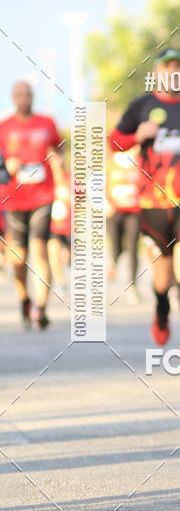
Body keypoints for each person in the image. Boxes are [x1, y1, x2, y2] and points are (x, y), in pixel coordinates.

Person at [109, 48, 180, 361]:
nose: (174, 73)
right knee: (162, 279)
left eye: (179, 67)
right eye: (167, 68)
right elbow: (114, 142)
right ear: (157, 74)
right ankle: (162, 309)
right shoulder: (142, 106)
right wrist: (137, 136)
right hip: (154, 202)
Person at [0, 81, 65, 329]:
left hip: (43, 196)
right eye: (19, 94)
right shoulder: (4, 127)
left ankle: (41, 307)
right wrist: (7, 165)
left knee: (40, 249)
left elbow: (59, 148)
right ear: (13, 97)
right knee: (20, 256)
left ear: (32, 96)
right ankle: (24, 299)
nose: (24, 98)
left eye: (27, 94)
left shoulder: (46, 123)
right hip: (14, 198)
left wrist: (57, 158)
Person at [106, 146, 141, 302]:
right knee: (117, 247)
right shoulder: (111, 163)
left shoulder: (139, 163)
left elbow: (146, 184)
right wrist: (105, 204)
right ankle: (113, 261)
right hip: (114, 212)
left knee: (133, 247)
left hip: (134, 212)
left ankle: (133, 286)